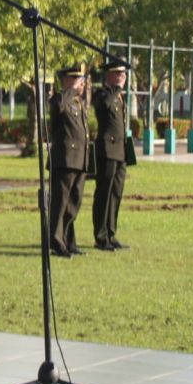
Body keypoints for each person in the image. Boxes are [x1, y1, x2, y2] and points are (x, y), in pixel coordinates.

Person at [48, 63, 90, 258]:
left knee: (74, 202)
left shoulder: (78, 102)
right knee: (60, 203)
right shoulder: (60, 99)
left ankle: (69, 240)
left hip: (79, 159)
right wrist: (70, 90)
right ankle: (56, 242)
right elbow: (57, 107)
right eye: (75, 79)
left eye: (80, 79)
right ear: (65, 81)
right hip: (64, 159)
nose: (79, 83)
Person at [92, 59, 130, 251]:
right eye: (118, 74)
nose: (122, 78)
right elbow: (104, 104)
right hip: (107, 150)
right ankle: (100, 237)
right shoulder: (102, 93)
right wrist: (116, 89)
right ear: (109, 76)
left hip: (121, 151)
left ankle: (111, 233)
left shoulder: (120, 96)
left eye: (123, 75)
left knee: (116, 194)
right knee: (104, 194)